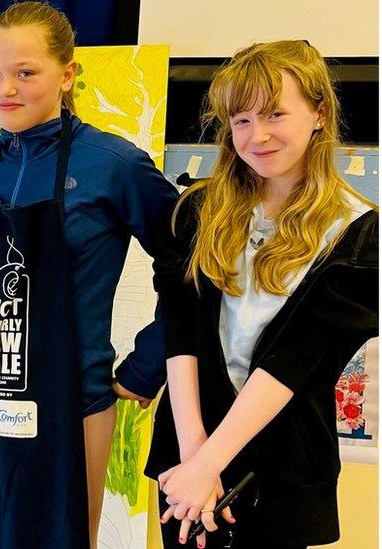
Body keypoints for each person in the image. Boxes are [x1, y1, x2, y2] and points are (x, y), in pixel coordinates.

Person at [0, 2, 178, 547]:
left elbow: (193, 266)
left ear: (68, 74)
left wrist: (147, 365)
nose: (6, 89)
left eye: (26, 72)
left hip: (74, 403)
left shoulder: (114, 165)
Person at [145, 40, 378, 549]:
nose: (258, 135)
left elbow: (298, 361)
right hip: (188, 458)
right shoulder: (198, 210)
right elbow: (179, 330)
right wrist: (193, 459)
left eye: (275, 113)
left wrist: (210, 463)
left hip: (280, 464)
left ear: (318, 113)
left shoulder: (358, 233)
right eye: (242, 120)